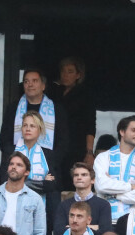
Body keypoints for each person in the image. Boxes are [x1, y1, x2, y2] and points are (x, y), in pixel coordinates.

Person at [0, 68, 68, 196]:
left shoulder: (57, 109)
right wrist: (15, 157)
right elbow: (4, 139)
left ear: (43, 85)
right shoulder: (13, 108)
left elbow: (63, 142)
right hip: (16, 163)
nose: (29, 84)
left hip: (49, 166)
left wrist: (49, 161)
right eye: (26, 81)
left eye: (34, 81)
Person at [1, 111, 57, 235]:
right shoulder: (10, 151)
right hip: (12, 209)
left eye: (32, 126)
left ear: (40, 129)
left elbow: (52, 185)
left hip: (40, 211)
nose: (28, 129)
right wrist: (42, 182)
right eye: (25, 125)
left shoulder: (48, 154)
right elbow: (5, 181)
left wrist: (20, 181)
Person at [94, 115, 135, 222]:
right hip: (104, 220)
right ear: (122, 132)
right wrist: (131, 187)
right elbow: (101, 186)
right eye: (134, 130)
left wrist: (113, 193)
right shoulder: (103, 158)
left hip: (134, 221)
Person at [52, 56, 96, 191]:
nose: (65, 75)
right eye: (63, 71)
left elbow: (90, 125)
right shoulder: (54, 93)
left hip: (76, 146)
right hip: (56, 145)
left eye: (70, 71)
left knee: (73, 183)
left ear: (78, 75)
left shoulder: (85, 95)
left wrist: (89, 152)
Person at [53, 162, 112, 235]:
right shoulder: (63, 205)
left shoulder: (103, 205)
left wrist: (71, 228)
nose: (79, 177)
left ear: (93, 180)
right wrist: (93, 227)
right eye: (76, 175)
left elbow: (105, 232)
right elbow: (58, 232)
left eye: (84, 175)